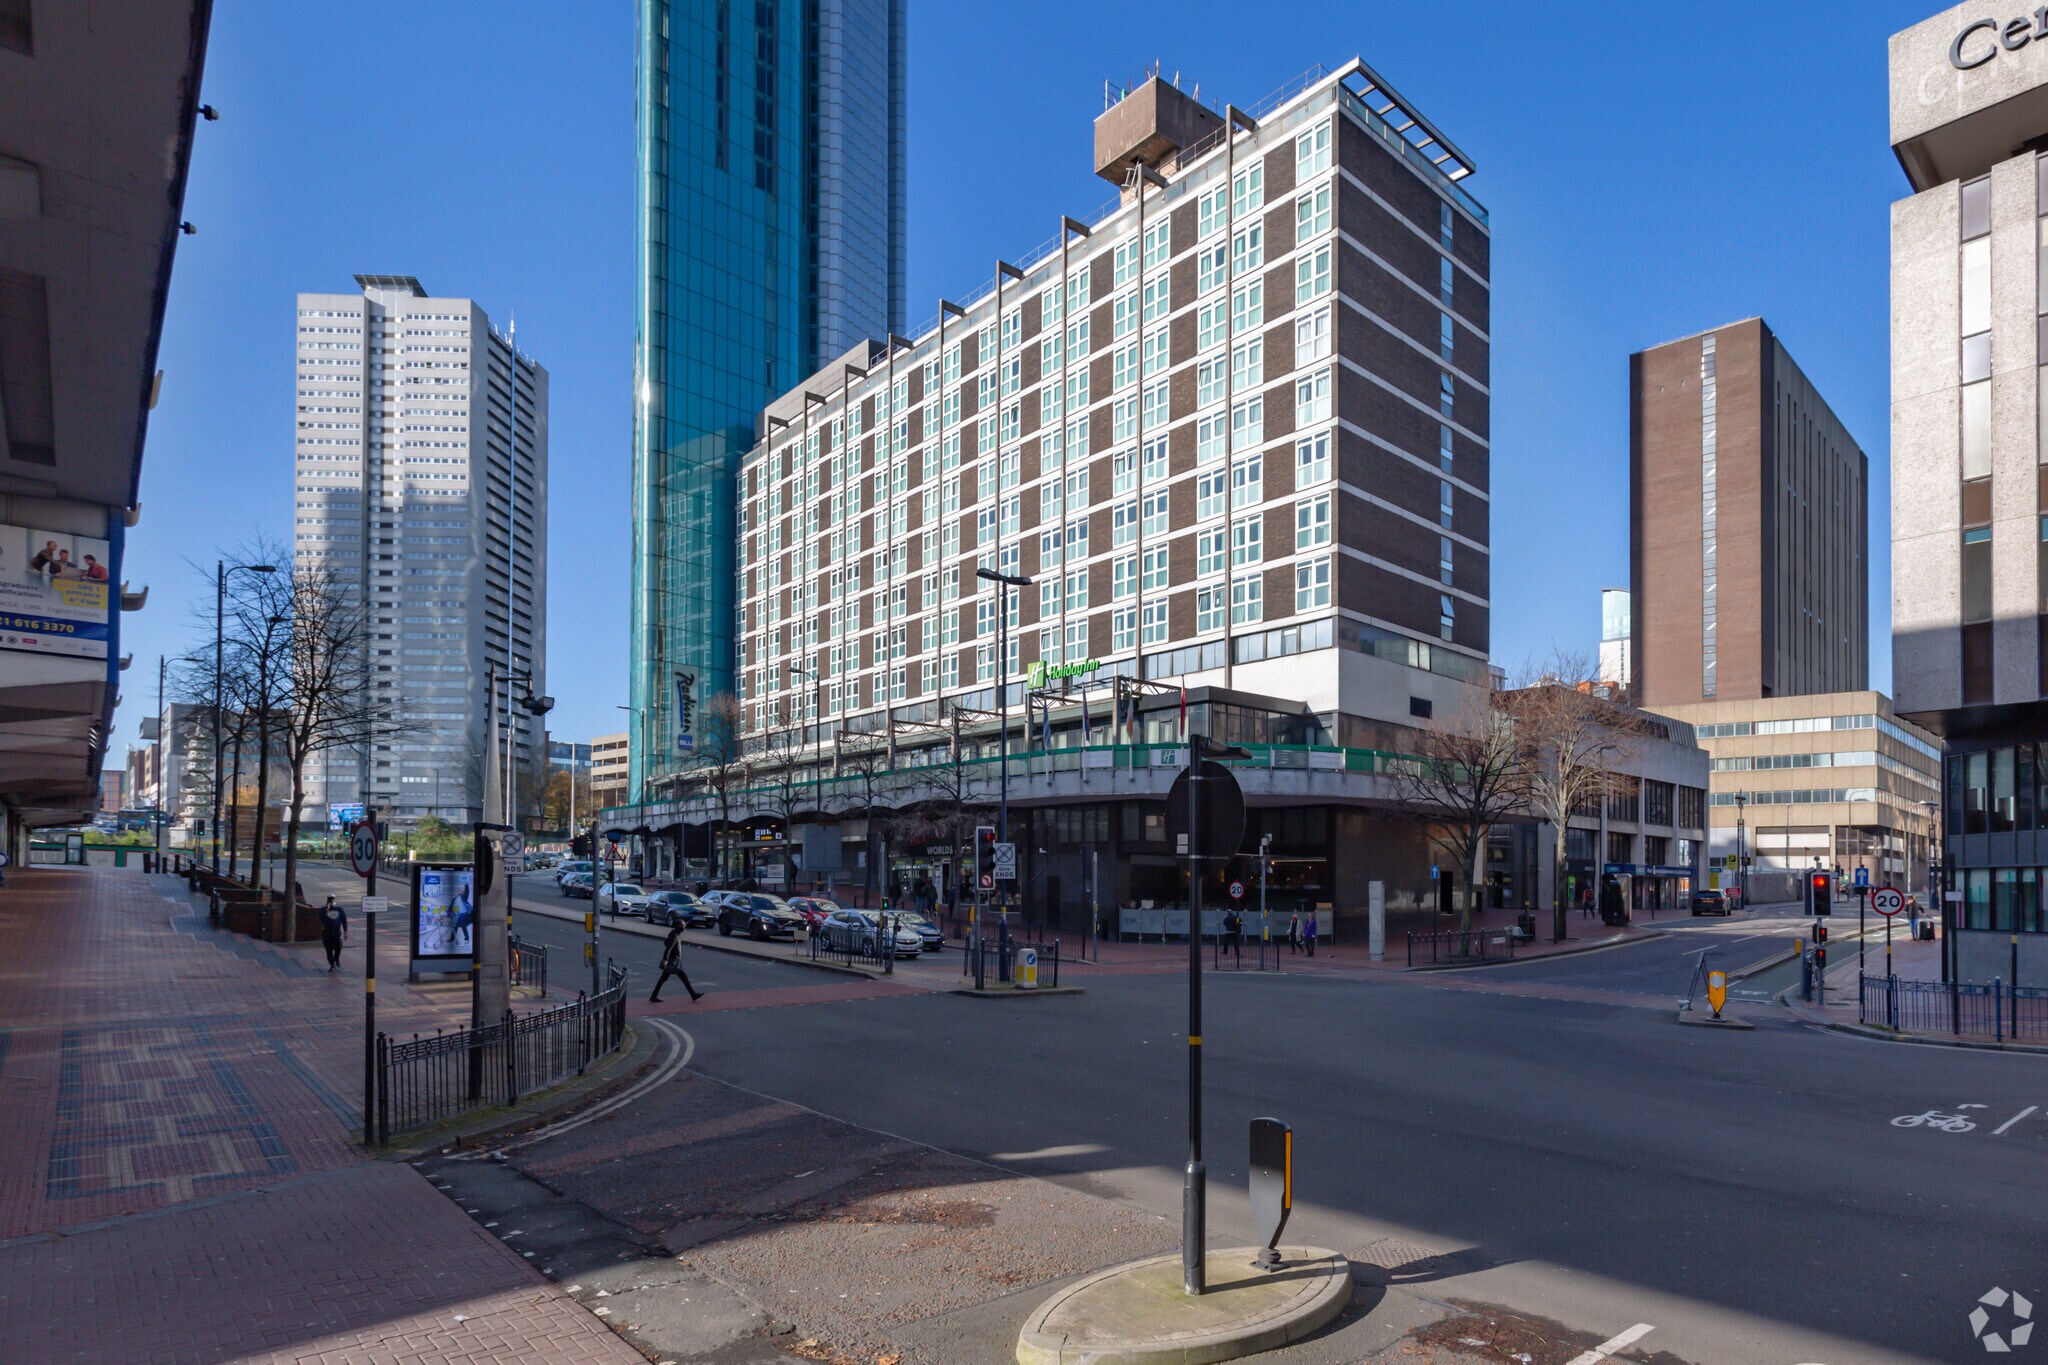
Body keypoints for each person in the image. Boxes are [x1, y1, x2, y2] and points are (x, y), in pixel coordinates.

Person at [648, 921, 702, 1003]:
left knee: (663, 979)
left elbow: (666, 943)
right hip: (672, 962)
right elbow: (668, 948)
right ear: (677, 927)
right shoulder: (675, 936)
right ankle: (693, 995)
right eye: (682, 926)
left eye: (684, 925)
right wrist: (665, 959)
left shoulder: (675, 934)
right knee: (683, 977)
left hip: (673, 961)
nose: (684, 927)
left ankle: (653, 996)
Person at [319, 895, 348, 972]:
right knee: (328, 950)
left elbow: (344, 921)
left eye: (333, 900)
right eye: (330, 900)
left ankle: (336, 958)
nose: (331, 902)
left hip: (337, 933)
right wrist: (326, 909)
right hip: (326, 934)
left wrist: (345, 932)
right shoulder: (323, 910)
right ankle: (332, 965)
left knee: (338, 948)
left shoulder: (340, 910)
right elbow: (321, 919)